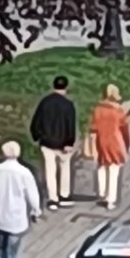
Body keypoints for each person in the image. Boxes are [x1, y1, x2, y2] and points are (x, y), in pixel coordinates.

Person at [29, 75, 77, 211]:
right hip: (63, 143)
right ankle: (64, 195)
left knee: (50, 170)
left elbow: (35, 122)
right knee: (65, 168)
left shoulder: (45, 103)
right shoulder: (68, 105)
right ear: (66, 87)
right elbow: (71, 125)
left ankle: (53, 198)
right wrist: (70, 142)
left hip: (47, 142)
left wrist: (37, 136)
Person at [89, 84, 130, 211]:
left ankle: (102, 193)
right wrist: (127, 145)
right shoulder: (118, 111)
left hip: (101, 141)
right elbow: (125, 130)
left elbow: (93, 128)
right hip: (115, 143)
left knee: (102, 166)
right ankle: (110, 200)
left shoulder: (97, 110)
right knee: (114, 171)